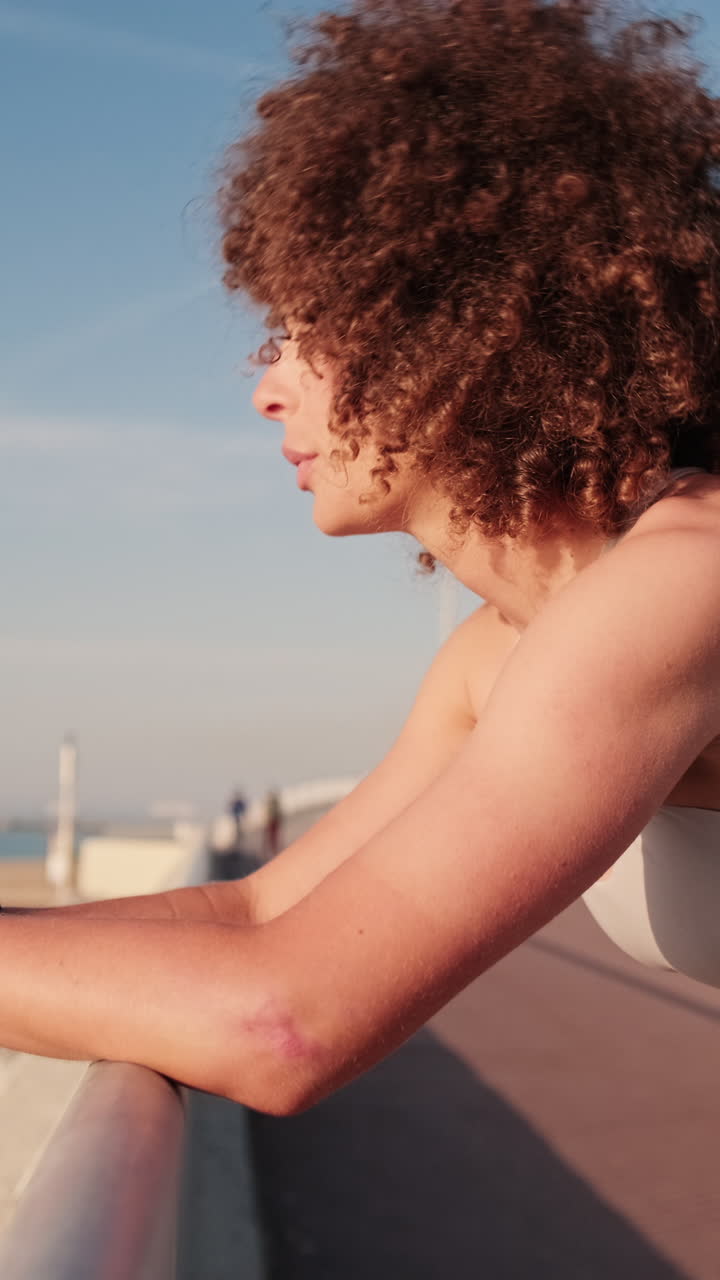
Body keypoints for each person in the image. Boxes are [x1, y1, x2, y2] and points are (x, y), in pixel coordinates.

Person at [3, 0, 720, 1117]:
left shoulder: (687, 579)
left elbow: (285, 1019)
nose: (267, 386)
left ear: (459, 327)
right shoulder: (502, 652)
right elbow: (252, 917)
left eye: (306, 334)